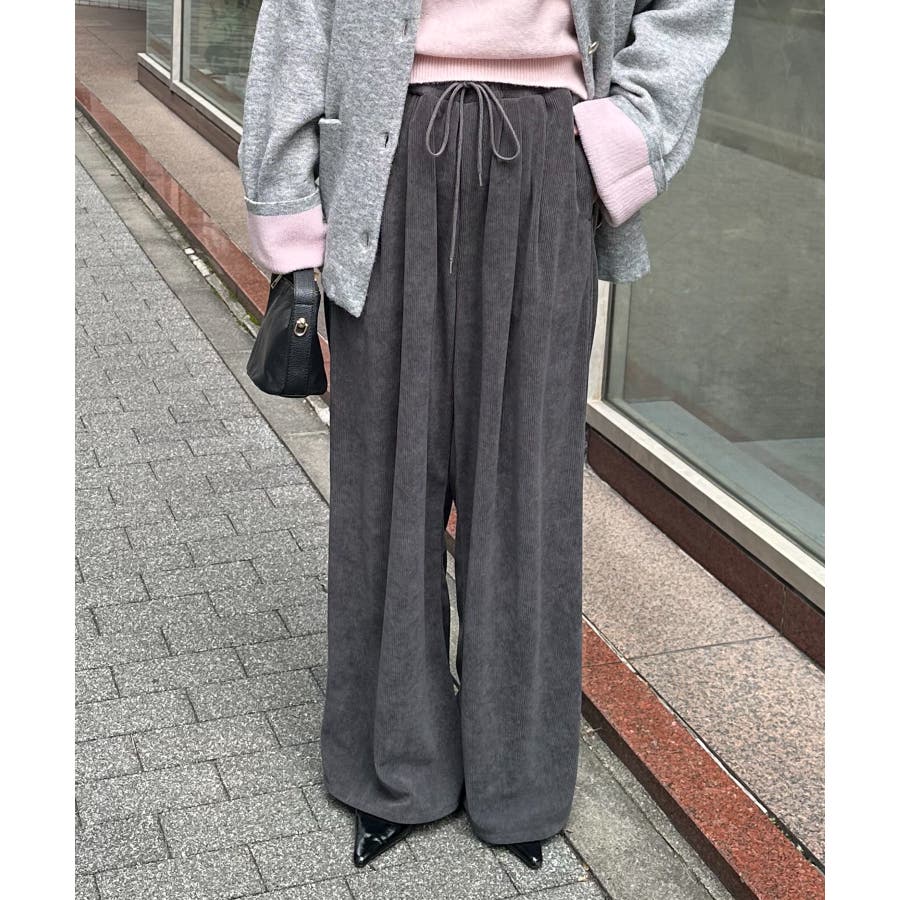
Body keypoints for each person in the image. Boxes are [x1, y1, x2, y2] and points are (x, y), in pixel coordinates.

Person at [238, 0, 734, 872]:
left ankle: (519, 779)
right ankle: (394, 769)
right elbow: (301, 15)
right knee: (386, 487)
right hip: (385, 163)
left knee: (526, 490)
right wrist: (285, 201)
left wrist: (629, 129)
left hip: (549, 158)